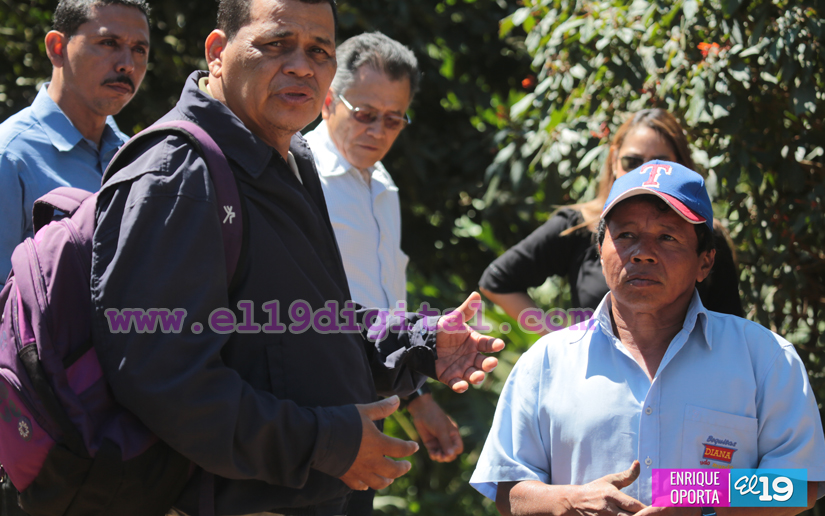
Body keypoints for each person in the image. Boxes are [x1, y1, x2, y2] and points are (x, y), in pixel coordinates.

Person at [89, 1, 503, 515]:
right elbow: (165, 381)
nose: (302, 66)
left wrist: (418, 345)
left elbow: (312, 327)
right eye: (277, 45)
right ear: (218, 52)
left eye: (318, 51)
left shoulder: (289, 160)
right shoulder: (178, 174)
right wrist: (327, 444)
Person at [470, 161, 825, 515]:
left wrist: (698, 502)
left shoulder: (764, 358)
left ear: (705, 261)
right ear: (600, 249)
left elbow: (798, 484)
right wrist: (571, 500)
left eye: (667, 236)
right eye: (625, 235)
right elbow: (509, 491)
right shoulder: (546, 361)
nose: (642, 252)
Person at [304, 31, 463, 515]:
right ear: (329, 100)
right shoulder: (296, 174)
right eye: (366, 115)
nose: (379, 132)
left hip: (372, 413)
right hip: (313, 419)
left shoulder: (383, 186)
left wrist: (418, 400)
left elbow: (387, 310)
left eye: (394, 120)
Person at [479, 109, 743, 334]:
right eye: (632, 161)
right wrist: (561, 341)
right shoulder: (580, 225)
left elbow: (729, 324)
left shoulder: (705, 235)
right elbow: (498, 280)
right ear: (614, 159)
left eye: (668, 238)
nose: (644, 172)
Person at [0, 0, 150, 283]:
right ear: (57, 48)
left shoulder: (135, 158)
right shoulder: (10, 156)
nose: (127, 65)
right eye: (108, 42)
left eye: (139, 49)